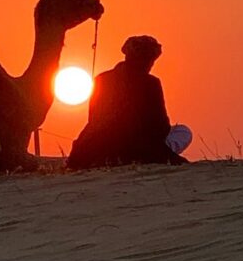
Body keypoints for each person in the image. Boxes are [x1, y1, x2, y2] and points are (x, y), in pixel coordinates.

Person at [67, 34, 191, 169]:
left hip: (89, 149)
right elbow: (160, 124)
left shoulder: (101, 79)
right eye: (149, 59)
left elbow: (93, 119)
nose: (150, 64)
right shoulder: (150, 82)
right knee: (183, 131)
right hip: (134, 149)